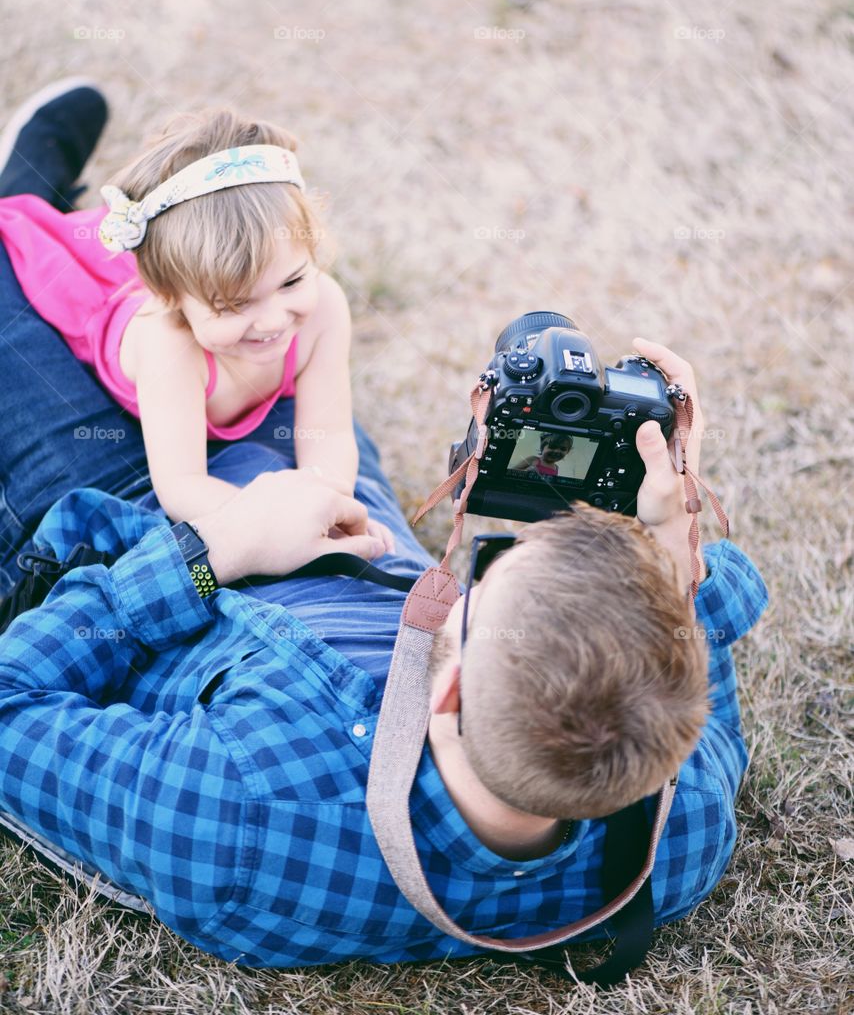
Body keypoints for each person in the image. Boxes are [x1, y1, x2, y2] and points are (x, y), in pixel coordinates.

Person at [0, 83, 768, 969]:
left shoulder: (239, 816)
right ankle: (72, 221)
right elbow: (700, 624)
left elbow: (13, 705)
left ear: (442, 693)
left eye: (478, 578)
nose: (475, 558)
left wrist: (221, 550)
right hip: (334, 502)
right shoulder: (679, 832)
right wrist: (668, 523)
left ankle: (26, 187)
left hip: (135, 511)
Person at [0, 90, 393, 548]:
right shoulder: (168, 341)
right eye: (234, 305)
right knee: (24, 245)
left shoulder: (324, 306)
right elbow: (183, 486)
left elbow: (326, 432)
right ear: (171, 299)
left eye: (291, 282)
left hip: (192, 280)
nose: (272, 321)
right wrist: (281, 522)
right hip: (101, 314)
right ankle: (23, 182)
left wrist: (331, 507)